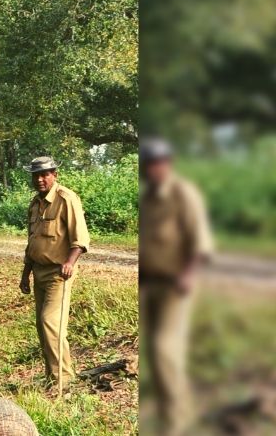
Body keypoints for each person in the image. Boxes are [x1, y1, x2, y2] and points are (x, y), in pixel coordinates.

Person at [139, 138, 213, 435]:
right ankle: (167, 416)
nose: (155, 169)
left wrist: (188, 276)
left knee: (165, 350)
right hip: (150, 285)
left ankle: (178, 424)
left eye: (160, 163)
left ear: (168, 163)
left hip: (176, 285)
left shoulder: (184, 194)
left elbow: (201, 243)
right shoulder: (148, 199)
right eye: (150, 165)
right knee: (154, 357)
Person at [18, 156, 90, 391]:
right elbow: (32, 242)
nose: (40, 179)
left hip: (59, 273)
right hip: (38, 271)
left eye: (45, 174)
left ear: (54, 174)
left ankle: (64, 381)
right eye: (36, 175)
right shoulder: (35, 203)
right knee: (42, 325)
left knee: (51, 323)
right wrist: (25, 274)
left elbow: (80, 238)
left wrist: (70, 263)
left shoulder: (66, 199)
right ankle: (52, 377)